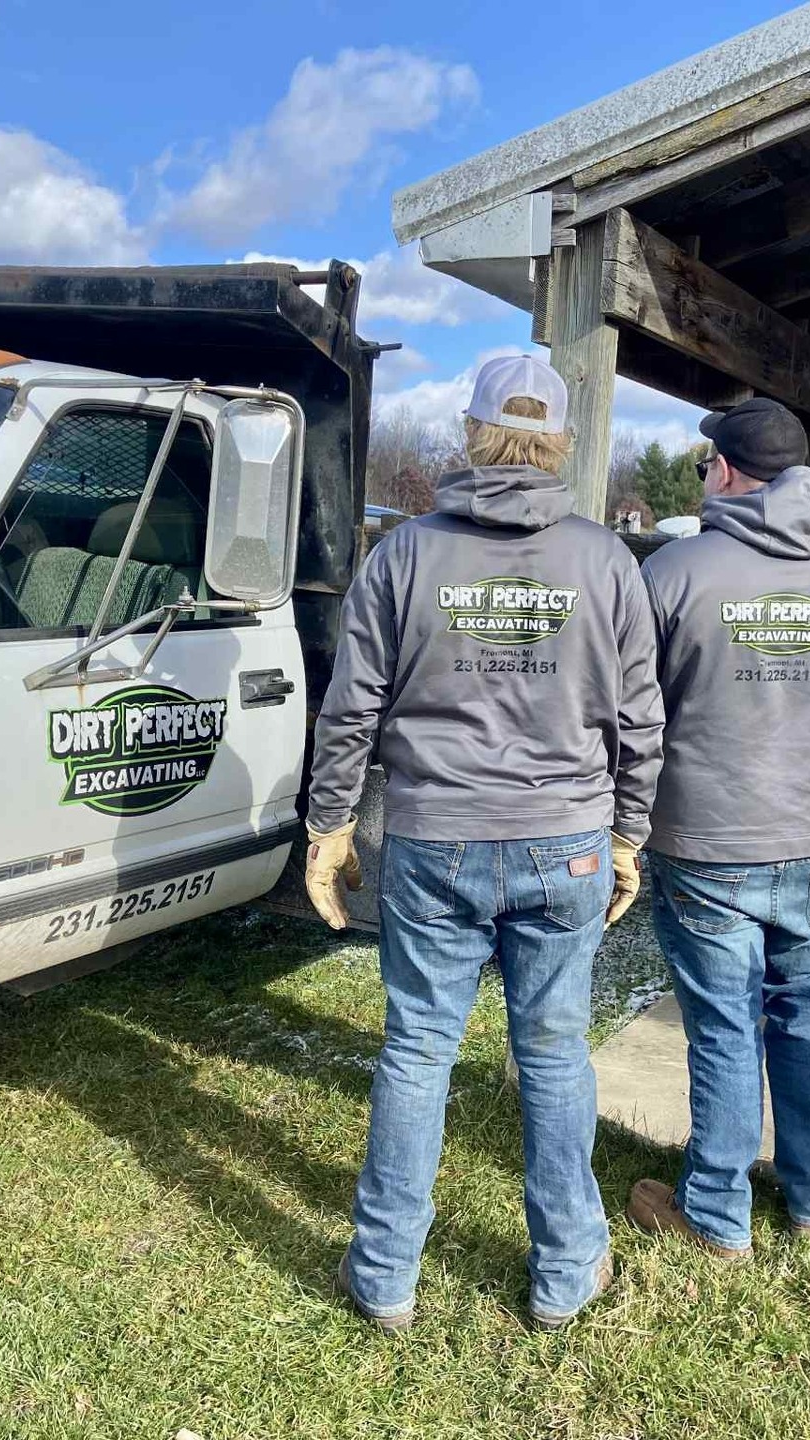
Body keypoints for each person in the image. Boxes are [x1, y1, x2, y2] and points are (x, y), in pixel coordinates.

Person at [304, 354, 665, 1330]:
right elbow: (642, 721)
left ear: (470, 435)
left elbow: (352, 713)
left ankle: (384, 1276)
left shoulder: (406, 556)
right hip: (567, 845)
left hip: (437, 843)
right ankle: (564, 1273)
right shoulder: (606, 562)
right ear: (560, 444)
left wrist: (330, 824)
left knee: (418, 1049)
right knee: (553, 1053)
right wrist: (628, 835)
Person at [627, 397, 810, 1259]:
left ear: (725, 472)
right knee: (801, 1010)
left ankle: (715, 1215)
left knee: (722, 1023)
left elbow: (632, 711)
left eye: (706, 461)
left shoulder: (675, 573)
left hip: (707, 841)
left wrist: (634, 817)